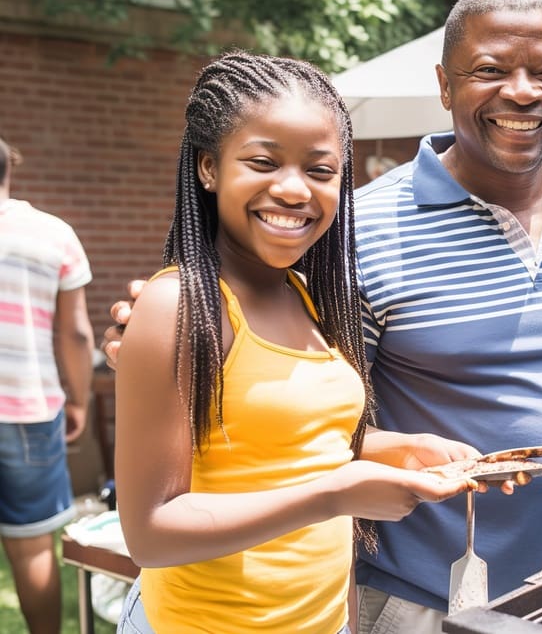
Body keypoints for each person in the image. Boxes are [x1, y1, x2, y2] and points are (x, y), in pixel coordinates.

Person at [105, 0, 542, 634]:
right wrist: (159, 333)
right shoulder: (356, 228)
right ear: (444, 84)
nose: (522, 92)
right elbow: (264, 389)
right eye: (491, 69)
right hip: (414, 598)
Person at [111, 52, 481, 634]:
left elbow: (294, 445)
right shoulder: (178, 306)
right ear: (209, 168)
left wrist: (401, 449)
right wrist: (334, 496)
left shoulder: (309, 296)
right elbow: (150, 533)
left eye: (320, 170)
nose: (292, 189)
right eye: (263, 161)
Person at [0, 135, 94, 634]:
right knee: (32, 543)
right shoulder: (52, 234)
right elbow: (77, 333)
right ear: (9, 167)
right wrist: (77, 399)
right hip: (27, 410)